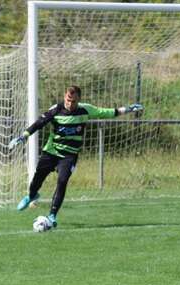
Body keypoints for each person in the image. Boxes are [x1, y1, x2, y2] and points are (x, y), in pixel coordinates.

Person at [8, 85, 143, 228]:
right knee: (37, 178)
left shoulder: (85, 109)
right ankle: (31, 195)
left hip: (69, 155)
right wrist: (24, 136)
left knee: (62, 181)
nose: (69, 104)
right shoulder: (56, 109)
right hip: (51, 152)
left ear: (79, 99)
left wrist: (128, 109)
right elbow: (39, 123)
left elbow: (109, 112)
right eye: (67, 100)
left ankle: (52, 215)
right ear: (65, 97)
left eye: (73, 101)